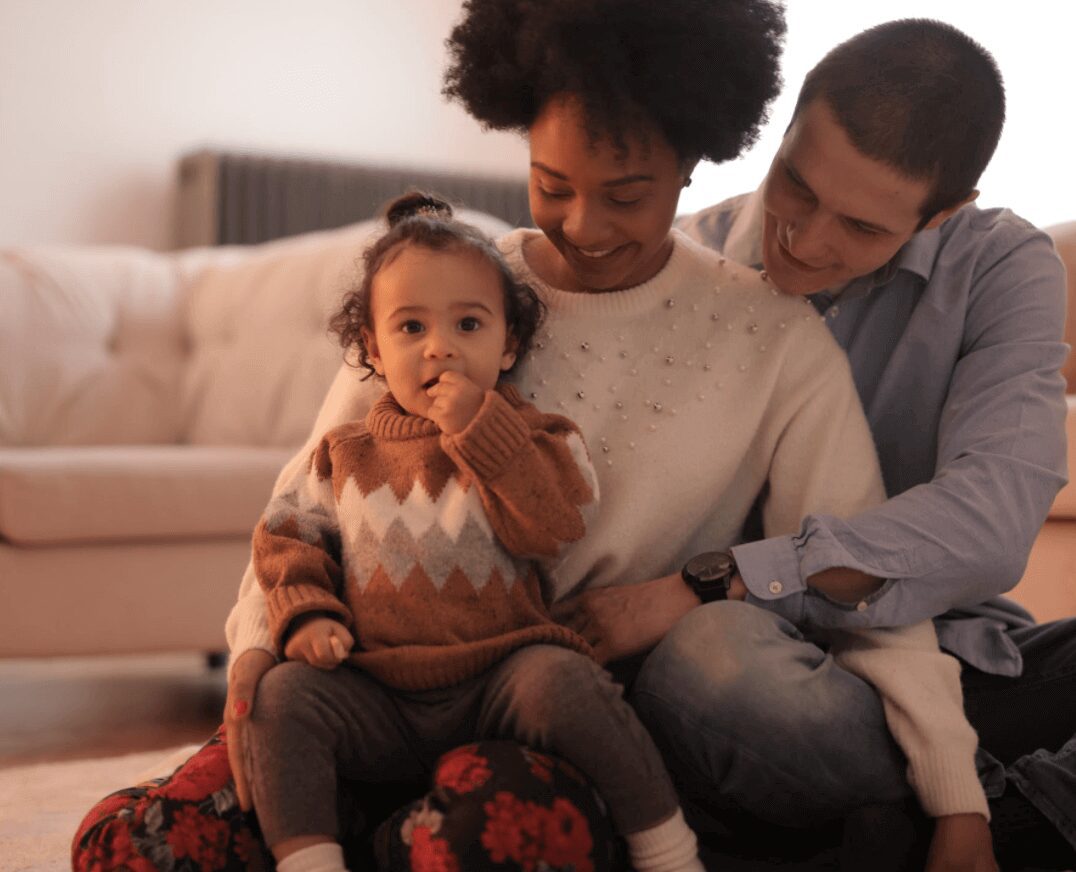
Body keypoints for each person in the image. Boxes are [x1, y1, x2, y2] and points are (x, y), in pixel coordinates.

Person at [66, 4, 995, 870]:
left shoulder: (777, 343)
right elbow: (305, 506)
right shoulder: (447, 289)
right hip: (365, 685)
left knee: (470, 835)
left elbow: (862, 589)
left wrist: (959, 807)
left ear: (694, 163)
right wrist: (258, 676)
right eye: (552, 186)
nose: (585, 225)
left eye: (628, 194)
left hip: (564, 721)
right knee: (132, 844)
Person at [550, 18, 1074, 870]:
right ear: (785, 128)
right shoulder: (675, 260)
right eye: (797, 184)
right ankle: (979, 814)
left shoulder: (998, 265)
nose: (806, 238)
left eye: (863, 228)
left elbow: (992, 518)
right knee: (714, 665)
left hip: (953, 661)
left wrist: (720, 579)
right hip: (740, 685)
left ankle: (905, 827)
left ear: (942, 214)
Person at [245, 191, 706, 872]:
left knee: (568, 681)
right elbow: (286, 538)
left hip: (501, 678)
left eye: (468, 324)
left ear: (508, 341)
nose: (440, 349)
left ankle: (668, 851)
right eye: (410, 330)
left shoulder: (535, 437)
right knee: (281, 697)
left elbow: (555, 524)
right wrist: (305, 616)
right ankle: (310, 860)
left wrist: (478, 430)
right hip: (378, 689)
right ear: (371, 345)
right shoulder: (344, 453)